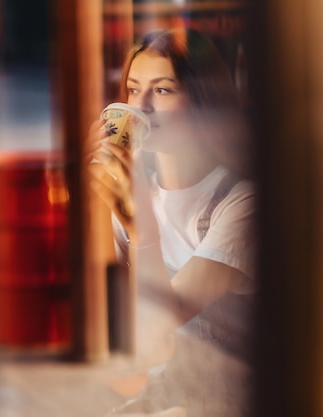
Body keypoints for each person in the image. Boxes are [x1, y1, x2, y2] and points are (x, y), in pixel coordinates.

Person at [88, 28, 257, 417]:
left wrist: (137, 218)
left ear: (201, 101)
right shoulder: (138, 194)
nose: (141, 105)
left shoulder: (242, 204)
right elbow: (111, 327)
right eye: (132, 89)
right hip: (168, 394)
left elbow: (156, 327)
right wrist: (96, 199)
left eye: (163, 90)